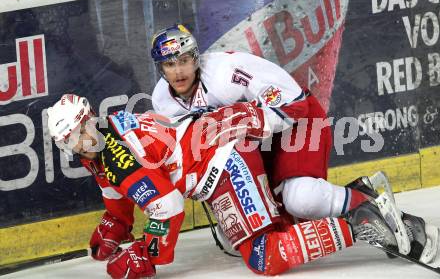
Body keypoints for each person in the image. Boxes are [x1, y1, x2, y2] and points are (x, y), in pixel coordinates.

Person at [47, 94, 438, 278]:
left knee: (263, 256)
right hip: (217, 160)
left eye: (83, 128)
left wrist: (145, 255)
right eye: (72, 139)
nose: (83, 140)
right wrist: (115, 227)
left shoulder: (115, 155)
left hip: (224, 164)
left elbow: (166, 206)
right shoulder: (105, 141)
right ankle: (361, 198)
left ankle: (361, 222)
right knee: (275, 229)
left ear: (89, 117)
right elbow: (119, 192)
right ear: (65, 146)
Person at [150, 24, 369, 223]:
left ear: (195, 58)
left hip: (295, 123)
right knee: (245, 226)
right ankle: (345, 198)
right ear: (161, 68)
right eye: (170, 64)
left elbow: (294, 105)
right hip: (253, 146)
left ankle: (371, 205)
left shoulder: (225, 72)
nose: (178, 71)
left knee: (302, 199)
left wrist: (243, 119)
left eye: (184, 61)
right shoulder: (162, 101)